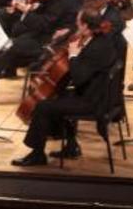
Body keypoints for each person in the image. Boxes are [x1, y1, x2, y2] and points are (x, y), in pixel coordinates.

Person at [10, 8, 123, 167]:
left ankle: (37, 155)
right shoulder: (101, 39)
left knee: (43, 107)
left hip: (93, 101)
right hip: (97, 94)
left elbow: (79, 79)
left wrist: (74, 56)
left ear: (85, 26)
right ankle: (71, 146)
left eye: (78, 23)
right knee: (58, 97)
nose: (76, 27)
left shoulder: (97, 47)